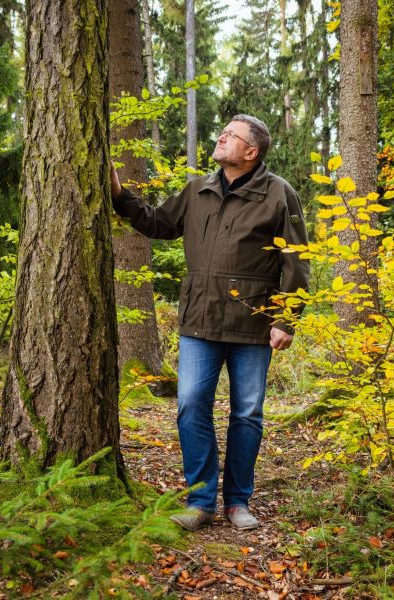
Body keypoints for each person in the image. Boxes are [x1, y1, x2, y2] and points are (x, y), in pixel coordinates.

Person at [111, 114, 310, 531]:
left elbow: (296, 260)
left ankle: (238, 502)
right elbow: (157, 222)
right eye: (223, 132)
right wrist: (119, 195)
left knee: (248, 414)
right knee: (189, 405)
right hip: (199, 320)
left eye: (232, 135)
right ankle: (201, 501)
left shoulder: (279, 194)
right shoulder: (198, 189)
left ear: (251, 152)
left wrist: (285, 320)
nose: (221, 137)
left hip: (253, 324)